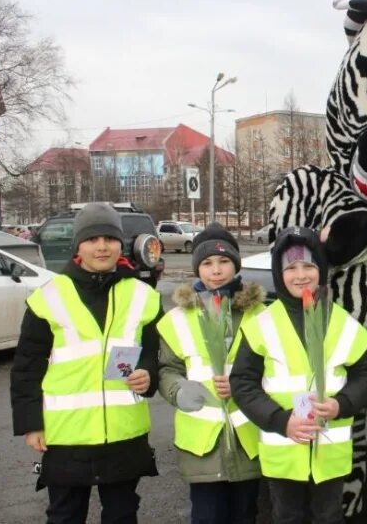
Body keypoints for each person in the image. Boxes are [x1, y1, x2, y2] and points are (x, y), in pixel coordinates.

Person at [10, 202, 162, 523]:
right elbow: (27, 365)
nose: (102, 246)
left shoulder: (141, 294)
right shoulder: (50, 296)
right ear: (78, 245)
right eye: (92, 239)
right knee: (65, 515)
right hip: (67, 435)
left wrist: (148, 374)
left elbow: (154, 350)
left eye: (109, 237)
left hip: (124, 432)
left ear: (121, 243)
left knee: (122, 514)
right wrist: (31, 422)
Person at [230, 226, 367, 524]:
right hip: (284, 448)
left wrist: (343, 403)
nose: (301, 275)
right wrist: (279, 420)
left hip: (330, 451)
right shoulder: (263, 323)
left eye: (309, 266)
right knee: (287, 516)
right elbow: (242, 382)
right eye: (291, 268)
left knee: (329, 516)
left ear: (321, 270)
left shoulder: (342, 321)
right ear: (279, 274)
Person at [156, 222, 265, 523]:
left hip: (248, 440)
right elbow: (168, 368)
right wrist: (178, 389)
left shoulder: (261, 316)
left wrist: (246, 388)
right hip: (201, 444)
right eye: (207, 263)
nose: (215, 270)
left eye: (223, 261)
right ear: (197, 269)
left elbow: (276, 366)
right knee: (207, 515)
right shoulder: (178, 319)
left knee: (245, 513)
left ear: (235, 265)